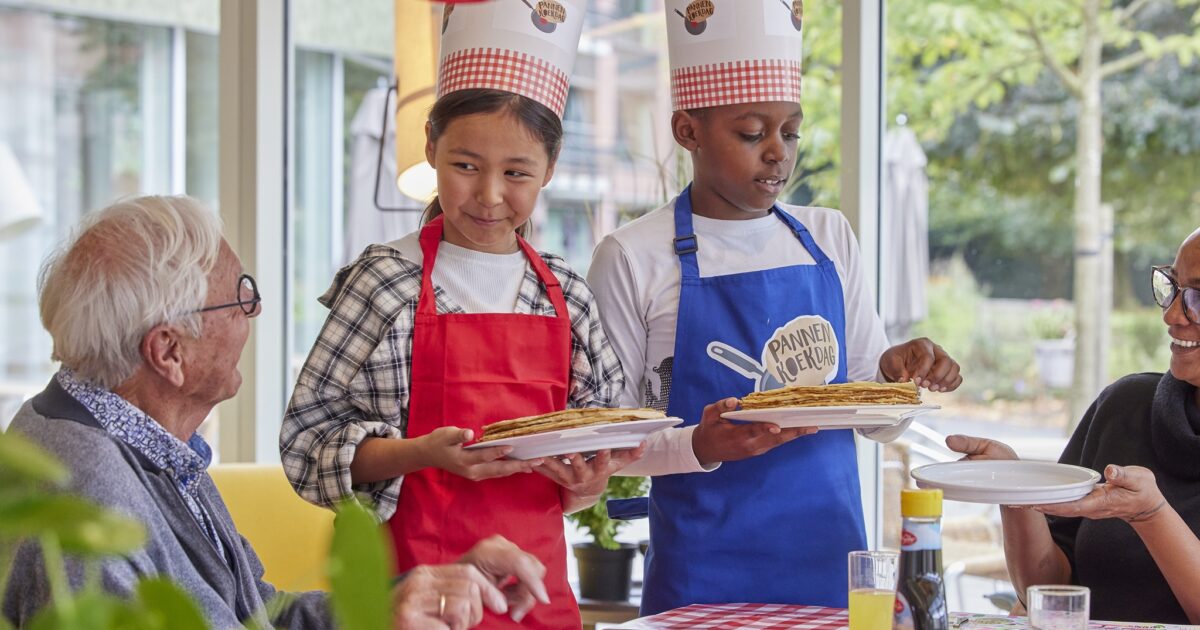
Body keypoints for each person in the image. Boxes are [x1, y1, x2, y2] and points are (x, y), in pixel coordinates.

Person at [0, 195, 551, 630]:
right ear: (169, 352)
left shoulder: (145, 442)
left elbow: (257, 615)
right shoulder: (85, 498)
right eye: (239, 296)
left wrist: (396, 602)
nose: (256, 309)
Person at [586, 0, 962, 615]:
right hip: (701, 575)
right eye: (751, 133)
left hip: (831, 563)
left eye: (790, 132)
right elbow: (611, 440)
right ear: (687, 131)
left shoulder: (830, 236)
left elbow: (874, 418)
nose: (777, 153)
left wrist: (896, 377)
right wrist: (701, 445)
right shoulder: (631, 256)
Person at [279, 2, 638, 628]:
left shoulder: (566, 295)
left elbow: (596, 447)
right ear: (430, 146)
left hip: (537, 599)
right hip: (407, 600)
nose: (489, 196)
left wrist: (587, 482)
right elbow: (304, 446)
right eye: (465, 166)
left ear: (551, 169)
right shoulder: (385, 284)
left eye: (517, 173)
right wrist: (420, 453)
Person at [948, 228, 1200, 624]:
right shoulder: (1125, 405)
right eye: (1173, 287)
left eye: (1198, 298)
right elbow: (1047, 590)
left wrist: (1151, 515)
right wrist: (1016, 489)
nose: (1171, 315)